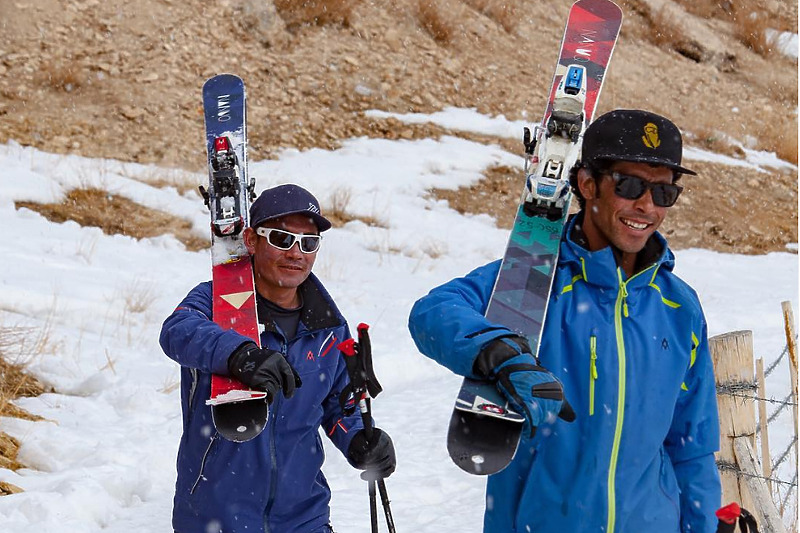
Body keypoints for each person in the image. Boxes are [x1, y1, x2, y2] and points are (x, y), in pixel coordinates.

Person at [408, 110, 721, 533]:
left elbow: (692, 445)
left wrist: (702, 526)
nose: (647, 206)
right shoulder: (533, 277)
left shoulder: (678, 306)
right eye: (630, 186)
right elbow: (433, 312)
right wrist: (499, 353)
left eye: (665, 192)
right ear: (587, 184)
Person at [160, 184, 396, 533]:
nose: (296, 253)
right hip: (215, 517)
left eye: (308, 242)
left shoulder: (328, 326)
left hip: (304, 517)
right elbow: (177, 331)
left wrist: (360, 439)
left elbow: (339, 405)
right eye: (283, 239)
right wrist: (240, 355)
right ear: (253, 240)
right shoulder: (216, 302)